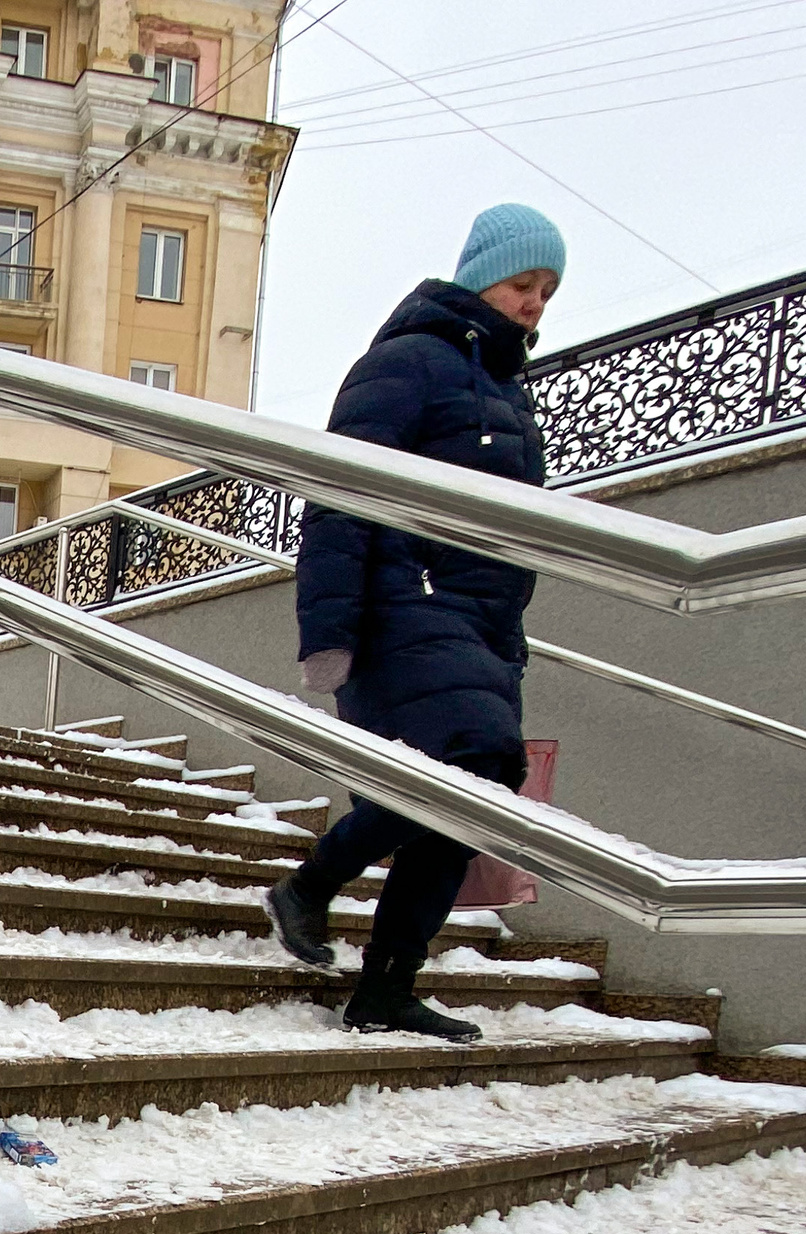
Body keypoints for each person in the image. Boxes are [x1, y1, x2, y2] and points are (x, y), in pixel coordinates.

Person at [267, 203, 563, 1043]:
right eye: (522, 283)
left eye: (547, 289)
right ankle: (313, 887)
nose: (535, 302)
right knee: (465, 768)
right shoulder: (408, 363)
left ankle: (385, 983)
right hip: (405, 604)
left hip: (479, 628)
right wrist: (328, 630)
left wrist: (508, 642)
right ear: (479, 279)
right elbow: (338, 492)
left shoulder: (507, 391)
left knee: (478, 798)